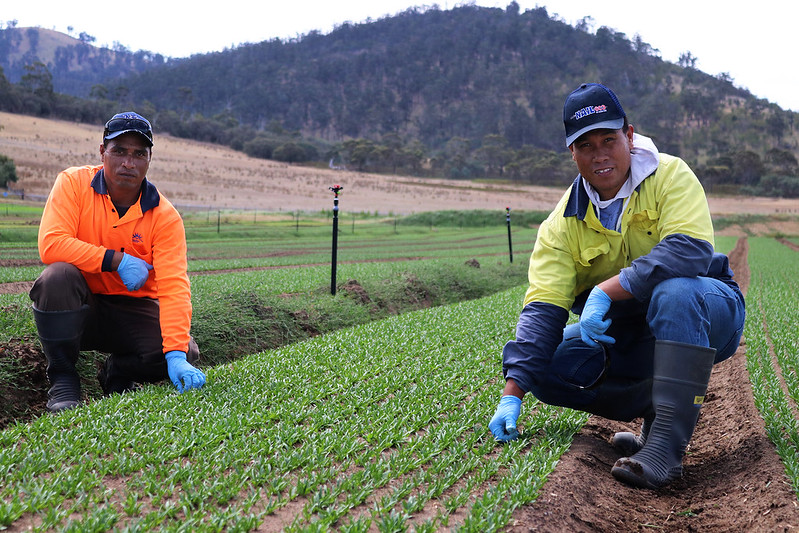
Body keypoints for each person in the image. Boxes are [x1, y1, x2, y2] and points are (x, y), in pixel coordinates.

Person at [488, 83, 745, 489]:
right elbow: (542, 310)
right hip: (632, 333)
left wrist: (605, 289)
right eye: (586, 146)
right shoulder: (560, 226)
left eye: (609, 139)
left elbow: (690, 251)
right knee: (546, 366)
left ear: (629, 135)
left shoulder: (670, 175)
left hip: (706, 312)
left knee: (675, 291)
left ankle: (664, 451)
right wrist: (513, 394)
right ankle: (656, 413)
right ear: (572, 153)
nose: (600, 154)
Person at [30, 111, 206, 413]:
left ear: (150, 159)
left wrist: (175, 354)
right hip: (80, 305)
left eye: (139, 153)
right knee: (56, 277)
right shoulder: (72, 184)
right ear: (103, 152)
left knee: (184, 350)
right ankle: (63, 380)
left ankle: (117, 371)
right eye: (119, 151)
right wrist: (115, 260)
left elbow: (174, 287)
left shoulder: (165, 217)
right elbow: (51, 243)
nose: (129, 162)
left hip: (132, 310)